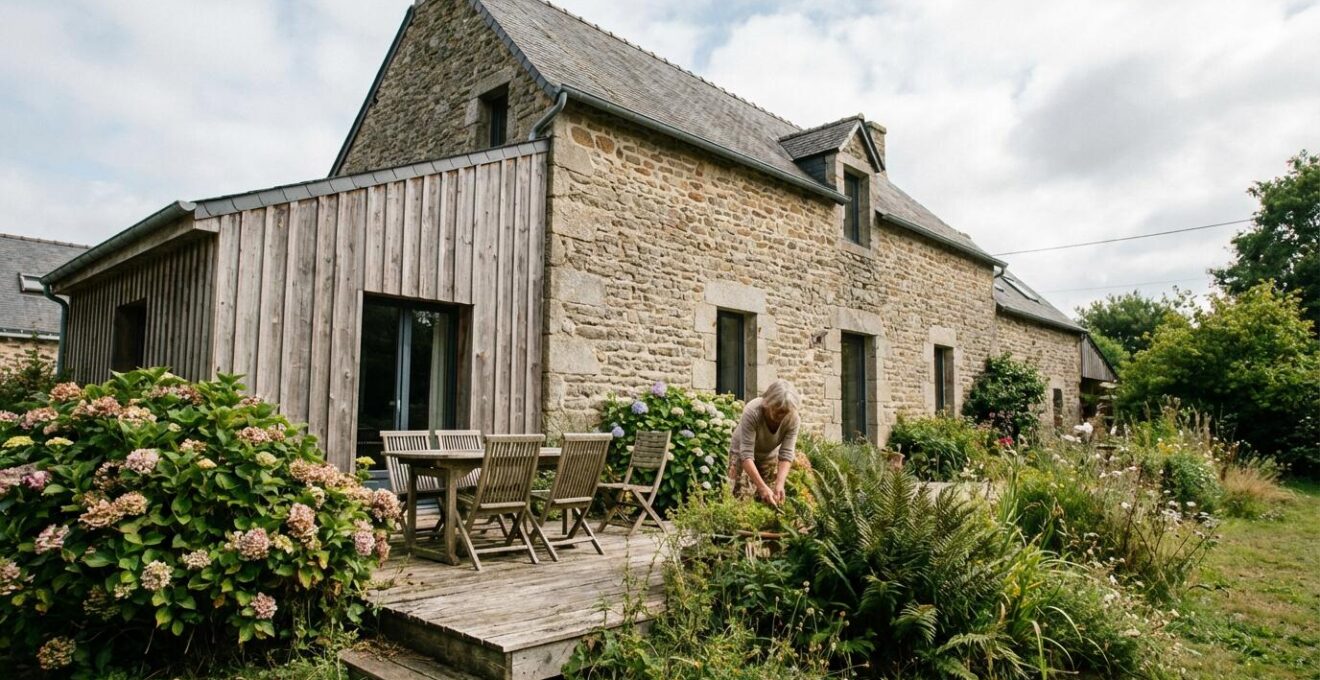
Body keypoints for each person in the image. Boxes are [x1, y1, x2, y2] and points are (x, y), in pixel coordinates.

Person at [728, 380, 800, 506]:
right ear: (768, 403)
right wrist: (761, 487)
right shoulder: (753, 411)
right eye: (778, 410)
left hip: (768, 454)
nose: (781, 415)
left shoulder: (793, 419)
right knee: (737, 492)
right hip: (741, 452)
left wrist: (779, 484)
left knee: (768, 497)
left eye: (785, 412)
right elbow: (746, 454)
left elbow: (786, 454)